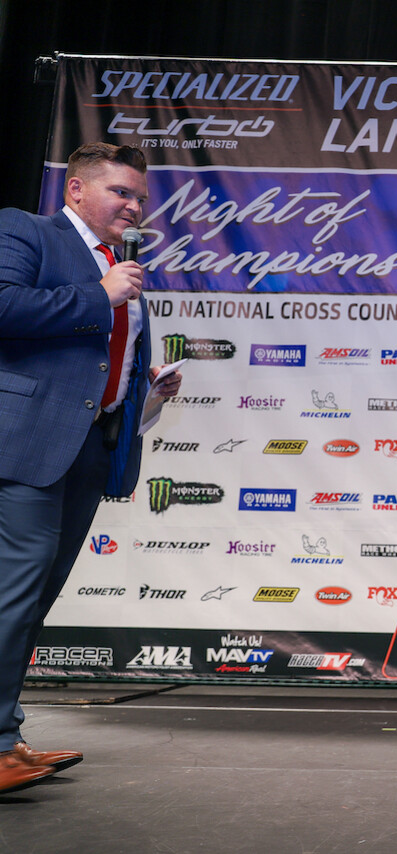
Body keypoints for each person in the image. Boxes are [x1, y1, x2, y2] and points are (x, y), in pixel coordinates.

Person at [0, 142, 181, 795]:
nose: (134, 207)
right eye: (120, 192)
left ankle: (6, 739)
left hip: (88, 448)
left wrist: (145, 387)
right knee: (14, 592)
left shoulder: (119, 265)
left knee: (35, 599)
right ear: (76, 189)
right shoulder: (27, 231)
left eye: (140, 197)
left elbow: (100, 360)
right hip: (27, 444)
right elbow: (3, 307)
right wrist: (97, 294)